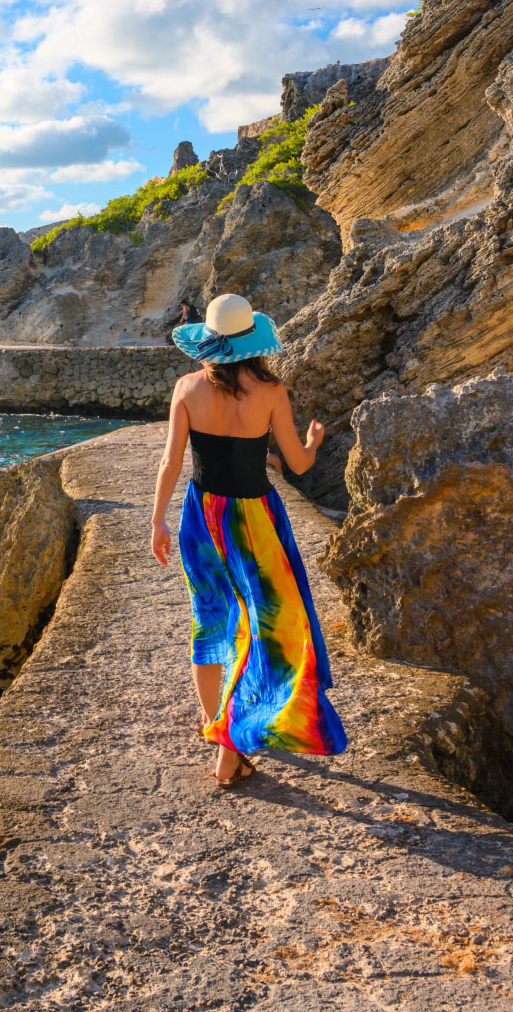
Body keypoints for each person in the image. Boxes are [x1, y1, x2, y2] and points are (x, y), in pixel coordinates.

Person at [151, 293, 347, 787]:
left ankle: (213, 723)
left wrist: (157, 522)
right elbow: (298, 466)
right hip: (255, 520)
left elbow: (171, 463)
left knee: (211, 619)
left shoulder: (187, 388)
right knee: (271, 624)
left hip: (204, 518)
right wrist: (313, 443)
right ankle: (232, 740)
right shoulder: (272, 391)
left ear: (211, 339)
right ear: (252, 340)